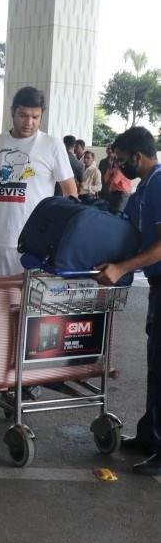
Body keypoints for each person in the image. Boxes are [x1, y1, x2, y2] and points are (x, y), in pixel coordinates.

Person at [96, 126, 161, 475]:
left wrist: (122, 268)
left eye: (122, 161)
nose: (119, 167)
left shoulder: (160, 184)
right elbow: (126, 230)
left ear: (137, 156)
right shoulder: (145, 188)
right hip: (157, 284)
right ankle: (150, 436)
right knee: (155, 363)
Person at [0, 86, 77, 275]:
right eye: (23, 115)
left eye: (35, 117)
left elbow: (70, 192)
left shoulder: (52, 145)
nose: (29, 122)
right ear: (12, 111)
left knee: (27, 295)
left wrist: (65, 236)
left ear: (41, 115)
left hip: (34, 245)